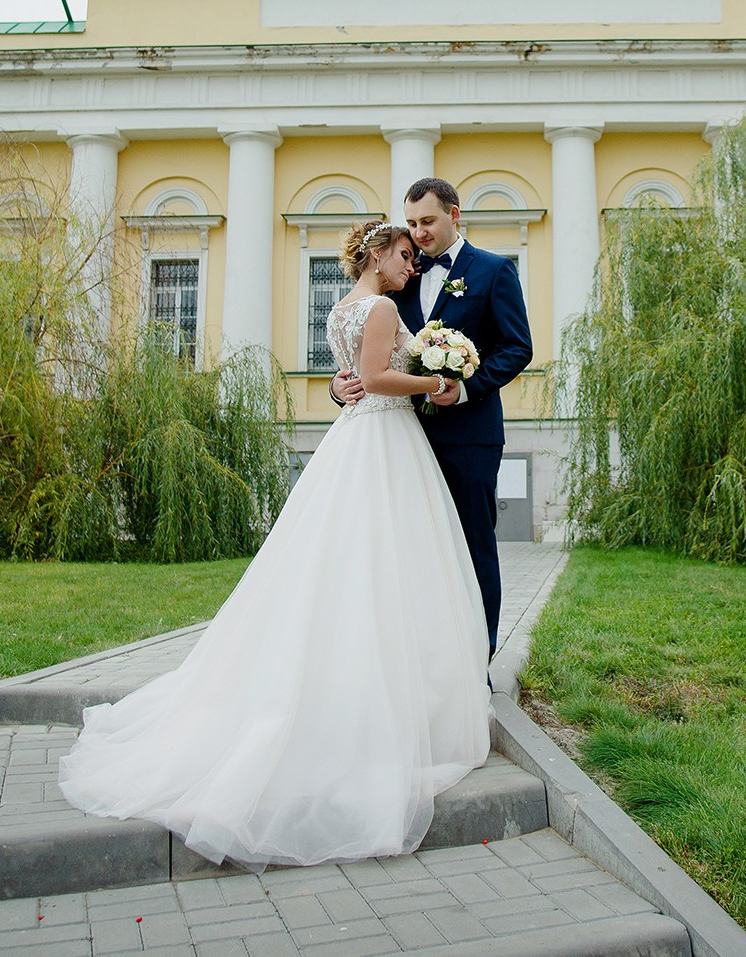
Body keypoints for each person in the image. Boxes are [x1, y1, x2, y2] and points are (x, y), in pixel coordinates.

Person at [56, 220, 489, 869]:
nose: (412, 264)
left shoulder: (341, 309)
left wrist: (391, 372)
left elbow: (349, 378)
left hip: (353, 439)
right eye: (404, 254)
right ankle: (383, 701)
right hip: (385, 439)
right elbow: (373, 377)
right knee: (383, 565)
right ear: (376, 253)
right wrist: (439, 383)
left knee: (342, 566)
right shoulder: (377, 307)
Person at [332, 178, 533, 660]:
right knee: (407, 553)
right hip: (400, 437)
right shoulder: (398, 274)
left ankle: (475, 663)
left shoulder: (492, 271)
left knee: (471, 548)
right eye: (413, 224)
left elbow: (517, 347)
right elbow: (370, 357)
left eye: (427, 222)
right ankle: (418, 662)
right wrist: (339, 390)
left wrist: (465, 388)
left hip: (470, 437)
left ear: (454, 215)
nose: (418, 233)